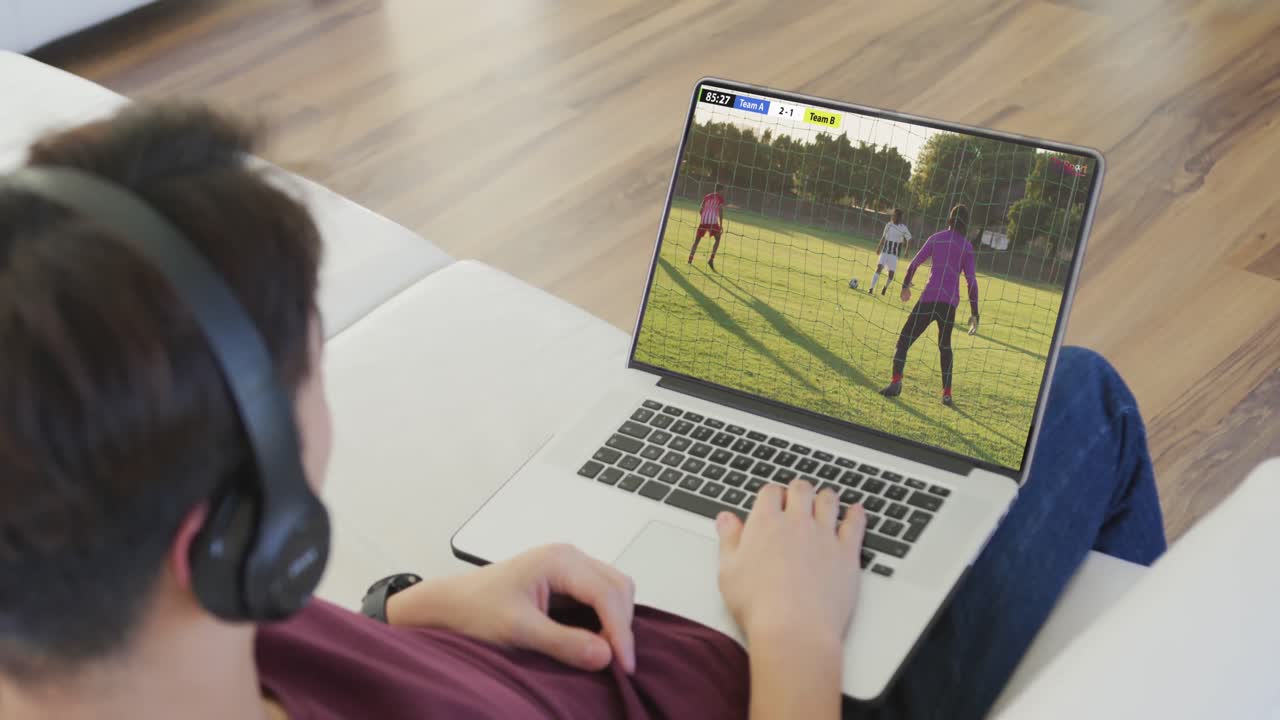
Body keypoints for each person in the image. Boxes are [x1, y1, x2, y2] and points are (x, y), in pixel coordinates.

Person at [0, 106, 1166, 720]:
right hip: (789, 675)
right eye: (307, 373)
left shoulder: (119, 623)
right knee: (1085, 401)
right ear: (234, 539)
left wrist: (412, 611)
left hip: (610, 631)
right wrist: (799, 636)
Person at [881, 204, 980, 407]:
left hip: (928, 299)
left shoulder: (936, 238)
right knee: (945, 347)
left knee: (903, 340)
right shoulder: (967, 247)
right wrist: (974, 313)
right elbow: (972, 281)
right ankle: (947, 394)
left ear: (949, 219)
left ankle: (896, 383)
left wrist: (906, 286)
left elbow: (914, 263)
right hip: (948, 304)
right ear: (966, 223)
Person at [866, 208, 912, 296]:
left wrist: (906, 251)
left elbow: (909, 239)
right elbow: (883, 236)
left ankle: (885, 287)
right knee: (879, 268)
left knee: (891, 274)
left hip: (894, 254)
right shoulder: (889, 225)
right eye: (892, 215)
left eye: (894, 216)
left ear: (899, 217)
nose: (892, 217)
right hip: (885, 251)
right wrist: (879, 247)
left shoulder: (903, 228)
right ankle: (871, 288)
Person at [689, 183, 726, 272]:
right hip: (713, 222)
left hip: (704, 222)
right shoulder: (720, 198)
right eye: (723, 191)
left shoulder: (707, 196)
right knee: (718, 239)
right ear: (720, 190)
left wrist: (704, 218)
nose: (723, 192)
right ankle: (711, 259)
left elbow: (700, 210)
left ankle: (690, 259)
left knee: (697, 241)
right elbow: (720, 211)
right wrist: (721, 225)